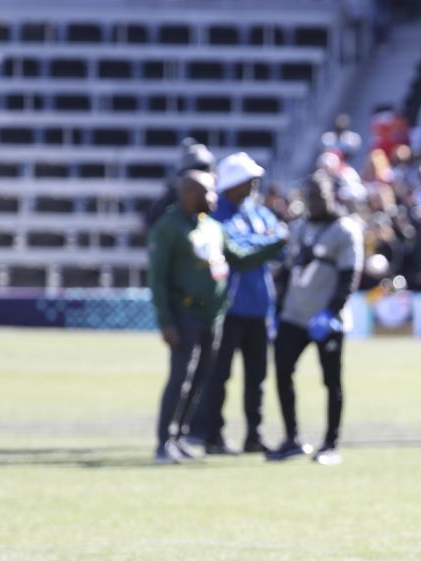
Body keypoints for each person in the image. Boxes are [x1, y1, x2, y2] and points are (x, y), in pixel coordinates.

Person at [147, 171, 286, 464]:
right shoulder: (169, 227)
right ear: (188, 194)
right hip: (184, 315)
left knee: (199, 381)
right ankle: (164, 442)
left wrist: (276, 242)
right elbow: (157, 279)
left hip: (213, 317)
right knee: (180, 380)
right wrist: (166, 322)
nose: (213, 198)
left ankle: (181, 437)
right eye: (207, 193)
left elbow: (240, 257)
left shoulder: (212, 226)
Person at [187, 152, 286, 455]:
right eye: (248, 179)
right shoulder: (219, 215)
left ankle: (254, 434)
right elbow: (240, 254)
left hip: (258, 307)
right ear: (234, 183)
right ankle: (212, 435)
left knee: (257, 377)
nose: (255, 183)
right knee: (220, 375)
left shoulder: (257, 212)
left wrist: (269, 242)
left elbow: (280, 241)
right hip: (228, 308)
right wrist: (269, 242)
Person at [268, 173, 363, 465]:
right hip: (294, 315)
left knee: (331, 380)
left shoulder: (345, 230)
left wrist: (331, 312)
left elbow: (349, 277)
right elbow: (287, 270)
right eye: (310, 197)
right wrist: (278, 307)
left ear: (333, 196)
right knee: (283, 372)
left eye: (320, 197)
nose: (315, 203)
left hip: (325, 318)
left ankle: (330, 443)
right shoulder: (299, 227)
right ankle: (291, 438)